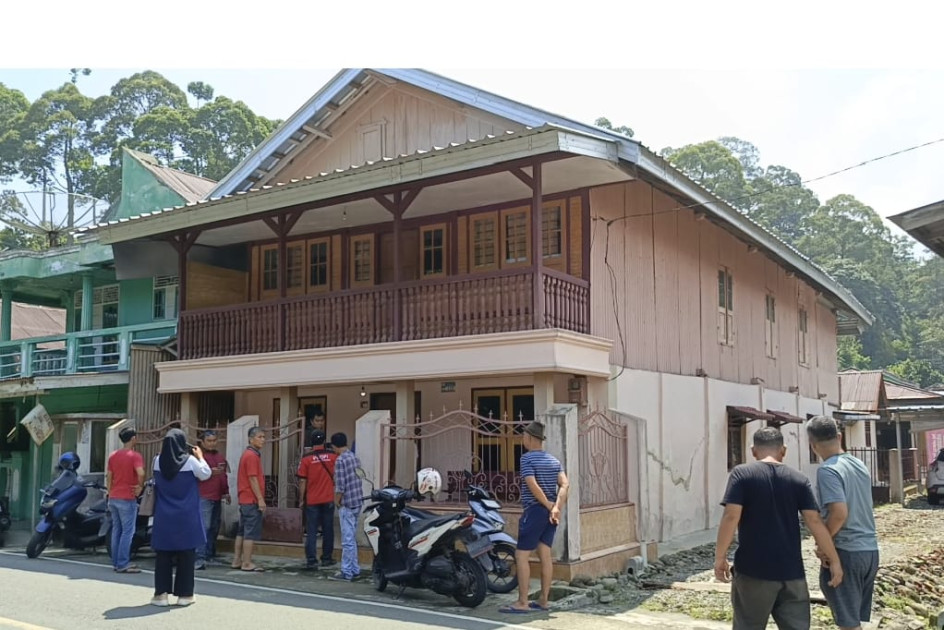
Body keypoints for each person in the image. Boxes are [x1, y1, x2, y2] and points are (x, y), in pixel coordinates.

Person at [714, 426, 844, 630]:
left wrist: (720, 557)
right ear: (783, 450)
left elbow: (731, 516)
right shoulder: (799, 479)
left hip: (752, 572)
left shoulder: (742, 474)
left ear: (753, 450)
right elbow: (815, 522)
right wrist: (834, 560)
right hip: (792, 573)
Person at [807, 416, 879, 630]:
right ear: (839, 436)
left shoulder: (828, 470)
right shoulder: (858, 464)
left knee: (848, 624)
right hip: (870, 550)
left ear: (812, 445)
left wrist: (823, 543)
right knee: (853, 620)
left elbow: (839, 513)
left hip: (846, 551)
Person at [500, 421, 569, 615]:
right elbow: (565, 485)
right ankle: (544, 601)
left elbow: (531, 484)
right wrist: (556, 508)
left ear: (529, 438)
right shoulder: (554, 461)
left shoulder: (527, 459)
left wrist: (548, 505)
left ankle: (522, 602)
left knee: (521, 555)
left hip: (535, 511)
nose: (523, 440)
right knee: (545, 554)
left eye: (523, 436)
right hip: (550, 514)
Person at [151, 428, 212, 607]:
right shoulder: (191, 461)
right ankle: (185, 595)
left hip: (163, 515)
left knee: (163, 555)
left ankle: (161, 595)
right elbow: (206, 474)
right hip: (186, 516)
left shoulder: (156, 461)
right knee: (186, 555)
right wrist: (201, 456)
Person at [106, 426, 145, 574]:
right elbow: (140, 472)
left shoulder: (113, 455)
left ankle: (117, 562)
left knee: (117, 530)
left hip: (114, 496)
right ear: (133, 438)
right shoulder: (135, 456)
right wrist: (139, 486)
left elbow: (109, 476)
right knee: (128, 532)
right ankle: (123, 563)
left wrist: (109, 492)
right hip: (127, 497)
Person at [297, 430, 337, 570]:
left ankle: (311, 560)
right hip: (328, 498)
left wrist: (301, 499)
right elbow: (338, 476)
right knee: (328, 529)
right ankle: (326, 558)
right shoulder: (333, 456)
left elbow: (302, 481)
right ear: (324, 441)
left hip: (312, 500)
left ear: (311, 442)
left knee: (312, 530)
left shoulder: (306, 459)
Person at [232, 426, 267, 572]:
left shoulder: (248, 454)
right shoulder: (252, 456)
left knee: (242, 531)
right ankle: (246, 562)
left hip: (244, 498)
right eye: (259, 437)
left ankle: (236, 560)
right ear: (251, 439)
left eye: (263, 437)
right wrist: (260, 499)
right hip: (250, 499)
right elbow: (253, 478)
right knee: (249, 532)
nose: (263, 440)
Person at [195, 430, 230, 570]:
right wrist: (209, 472)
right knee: (204, 527)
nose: (212, 443)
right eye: (209, 441)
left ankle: (209, 554)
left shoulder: (220, 456)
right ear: (202, 442)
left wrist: (226, 492)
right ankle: (199, 558)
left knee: (214, 527)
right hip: (203, 496)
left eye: (214, 440)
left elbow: (223, 476)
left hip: (217, 496)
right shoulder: (197, 457)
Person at [330, 432, 362, 582]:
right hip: (357, 501)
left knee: (347, 539)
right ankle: (355, 568)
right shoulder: (354, 457)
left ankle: (347, 571)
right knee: (352, 537)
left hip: (347, 503)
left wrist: (337, 501)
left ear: (334, 446)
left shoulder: (340, 460)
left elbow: (340, 485)